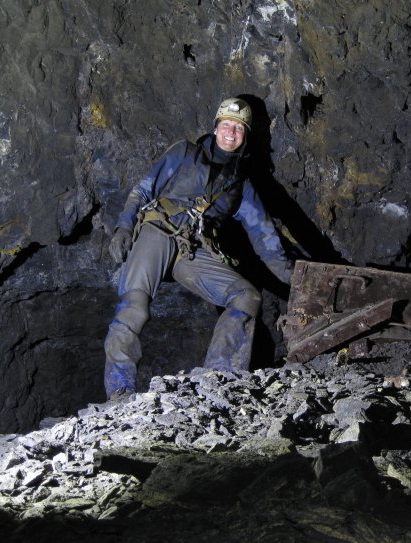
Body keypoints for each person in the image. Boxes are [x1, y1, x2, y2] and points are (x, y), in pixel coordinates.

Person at [103, 97, 293, 401]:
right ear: (216, 127)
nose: (231, 133)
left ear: (245, 136)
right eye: (226, 125)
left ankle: (220, 376)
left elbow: (265, 238)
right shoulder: (184, 153)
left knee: (247, 296)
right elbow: (143, 189)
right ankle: (119, 389)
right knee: (135, 306)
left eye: (238, 129)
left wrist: (294, 280)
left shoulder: (240, 183)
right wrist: (124, 227)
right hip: (158, 231)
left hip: (192, 247)